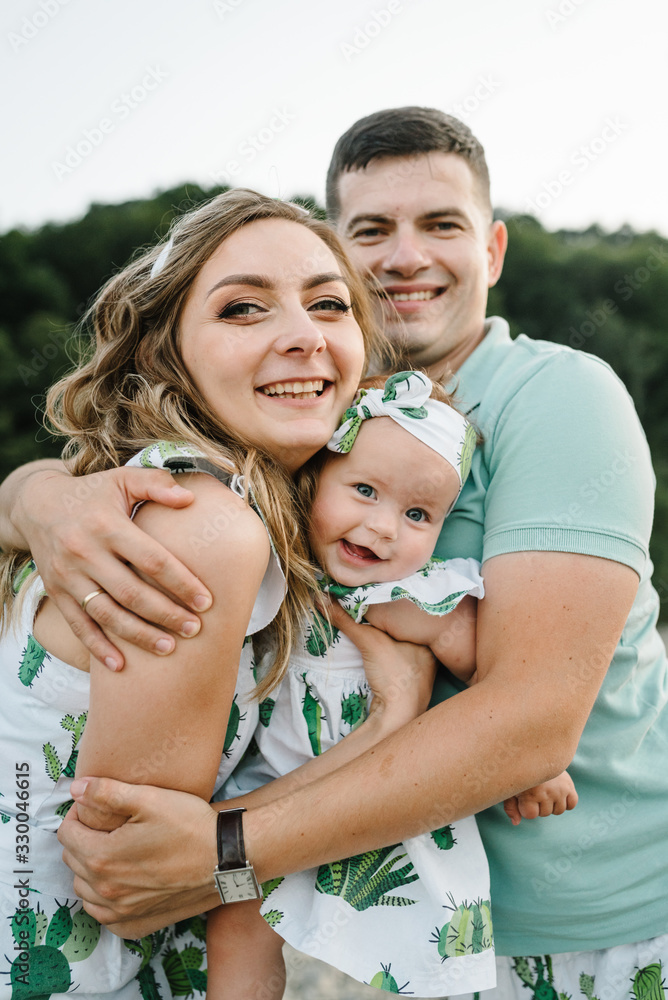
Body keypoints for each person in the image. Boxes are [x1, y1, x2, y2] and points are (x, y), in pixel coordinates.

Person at [2, 107, 665, 999]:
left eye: (441, 225)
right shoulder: (312, 421)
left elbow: (532, 719)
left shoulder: (556, 395)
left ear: (495, 251)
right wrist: (35, 496)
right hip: (354, 911)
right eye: (370, 232)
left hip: (564, 919)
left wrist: (227, 853)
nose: (404, 256)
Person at [0, 188, 414, 996]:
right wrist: (389, 729)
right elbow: (130, 877)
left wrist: (27, 490)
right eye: (243, 310)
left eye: (328, 303)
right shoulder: (204, 529)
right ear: (166, 352)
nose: (303, 336)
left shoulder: (168, 492)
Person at [207, 368, 576, 1000]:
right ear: (314, 477)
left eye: (416, 513)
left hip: (386, 798)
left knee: (411, 948)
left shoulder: (417, 597)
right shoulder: (273, 562)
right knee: (236, 917)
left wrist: (536, 765)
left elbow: (504, 682)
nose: (382, 528)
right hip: (277, 785)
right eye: (364, 490)